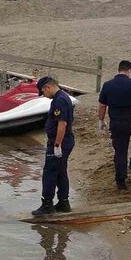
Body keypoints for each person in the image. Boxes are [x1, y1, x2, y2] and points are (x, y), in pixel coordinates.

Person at [98, 60, 131, 190]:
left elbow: (102, 105)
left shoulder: (108, 85)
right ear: (130, 70)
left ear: (119, 70)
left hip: (116, 122)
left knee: (120, 152)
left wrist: (101, 120)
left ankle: (121, 181)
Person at [32, 76, 76, 216]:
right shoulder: (63, 97)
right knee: (61, 172)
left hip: (60, 143)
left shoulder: (59, 100)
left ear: (48, 87)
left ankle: (47, 204)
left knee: (50, 172)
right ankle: (64, 202)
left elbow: (62, 124)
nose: (44, 96)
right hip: (65, 141)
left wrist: (57, 144)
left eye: (43, 92)